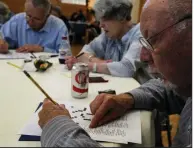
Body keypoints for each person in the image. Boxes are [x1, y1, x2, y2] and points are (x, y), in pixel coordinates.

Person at [38, 0, 192, 147]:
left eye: (153, 40)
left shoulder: (135, 33)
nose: (143, 57)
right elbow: (169, 91)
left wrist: (58, 128)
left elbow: (125, 68)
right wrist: (128, 98)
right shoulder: (185, 83)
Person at [65, 0, 152, 84]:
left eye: (105, 19)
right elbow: (84, 52)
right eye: (100, 20)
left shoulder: (140, 33)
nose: (100, 25)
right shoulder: (109, 35)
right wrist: (95, 60)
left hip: (140, 95)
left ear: (121, 16)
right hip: (116, 90)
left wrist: (89, 66)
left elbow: (126, 69)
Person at [0, 0, 69, 53]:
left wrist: (42, 49)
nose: (30, 21)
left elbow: (65, 55)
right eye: (28, 16)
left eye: (37, 19)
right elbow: (2, 37)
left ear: (47, 16)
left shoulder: (59, 26)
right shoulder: (17, 20)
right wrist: (3, 44)